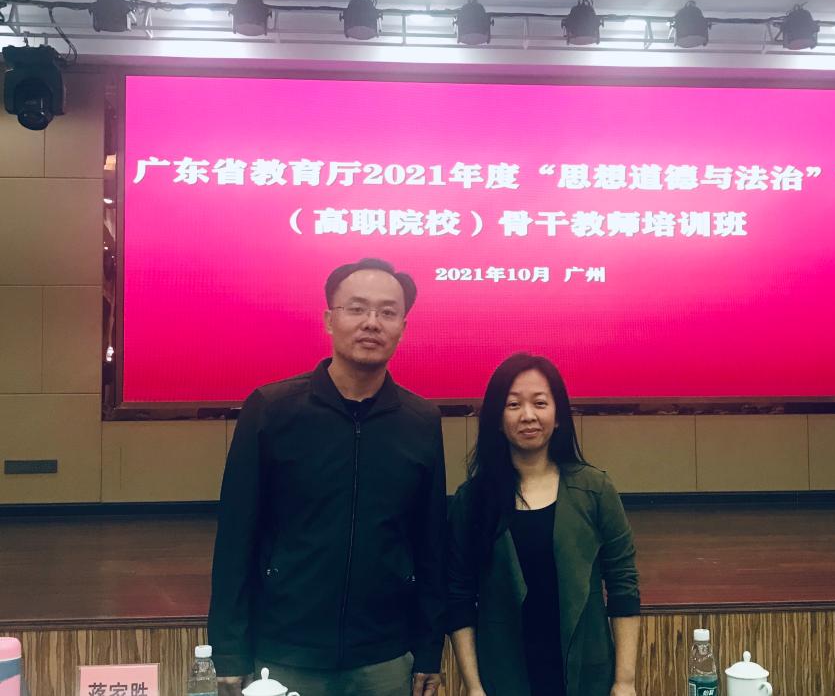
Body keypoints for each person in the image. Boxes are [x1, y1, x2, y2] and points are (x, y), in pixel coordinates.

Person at [208, 258, 446, 696]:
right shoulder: (272, 410)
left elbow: (430, 544)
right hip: (285, 652)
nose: (372, 323)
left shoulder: (421, 421)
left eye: (387, 312)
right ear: (329, 320)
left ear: (402, 327)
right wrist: (229, 650)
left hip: (385, 656)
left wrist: (430, 649)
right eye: (356, 308)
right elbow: (236, 537)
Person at [447, 353, 641, 696]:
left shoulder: (595, 489)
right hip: (504, 678)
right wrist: (474, 686)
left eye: (540, 403)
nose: (528, 415)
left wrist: (624, 682)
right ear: (496, 419)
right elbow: (459, 597)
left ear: (559, 415)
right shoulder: (472, 500)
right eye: (513, 404)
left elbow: (623, 585)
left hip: (586, 676)